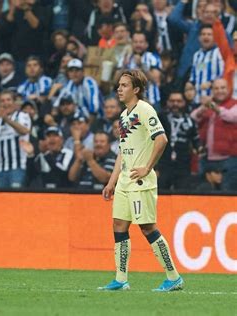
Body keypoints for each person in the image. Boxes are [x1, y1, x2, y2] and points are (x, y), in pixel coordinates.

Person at [100, 70, 183, 292]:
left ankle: (173, 277)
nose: (119, 88)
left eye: (124, 85)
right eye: (119, 85)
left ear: (136, 89)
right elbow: (122, 150)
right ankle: (120, 279)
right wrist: (111, 181)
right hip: (125, 181)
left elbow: (162, 139)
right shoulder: (124, 115)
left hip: (140, 180)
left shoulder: (145, 110)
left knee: (147, 227)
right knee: (119, 224)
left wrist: (147, 167)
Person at [0, 90, 31, 188]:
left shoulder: (22, 116)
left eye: (8, 100)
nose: (5, 103)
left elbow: (24, 131)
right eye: (2, 101)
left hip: (18, 168)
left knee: (15, 198)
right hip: (0, 169)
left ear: (14, 102)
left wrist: (7, 119)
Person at [157, 91, 201, 190]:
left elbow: (196, 140)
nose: (175, 104)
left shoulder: (190, 121)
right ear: (167, 102)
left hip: (183, 165)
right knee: (161, 194)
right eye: (172, 101)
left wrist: (199, 149)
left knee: (183, 194)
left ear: (184, 103)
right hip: (164, 164)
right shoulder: (159, 118)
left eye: (179, 101)